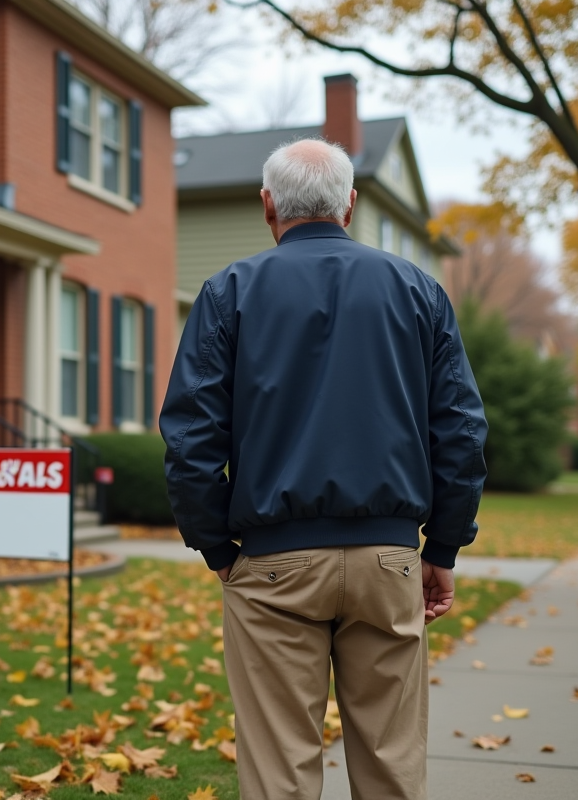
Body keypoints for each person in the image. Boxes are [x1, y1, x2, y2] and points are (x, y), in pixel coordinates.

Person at [159, 138, 488, 800]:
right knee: (392, 768)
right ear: (351, 205)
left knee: (280, 772)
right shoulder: (417, 291)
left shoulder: (228, 293)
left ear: (267, 206)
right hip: (388, 561)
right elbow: (460, 430)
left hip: (273, 567)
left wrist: (217, 545)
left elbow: (190, 438)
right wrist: (442, 546)